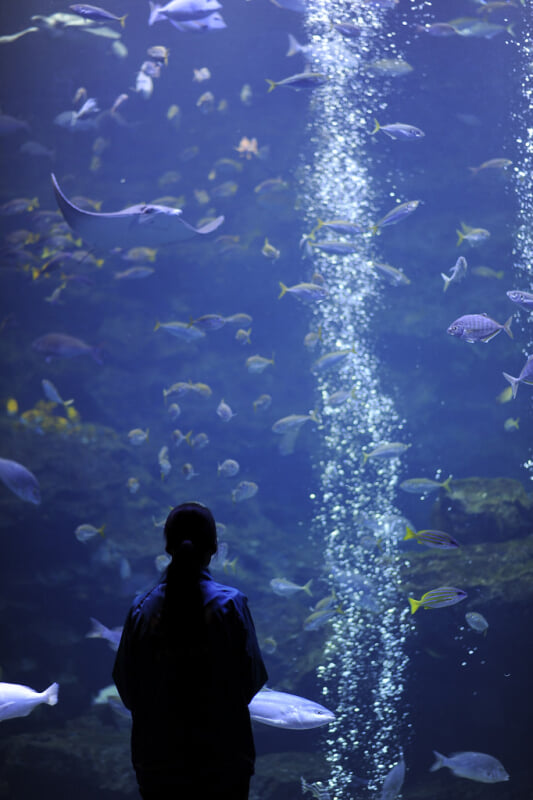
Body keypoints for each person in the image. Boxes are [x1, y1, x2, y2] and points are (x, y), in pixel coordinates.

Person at [113, 501, 268, 800]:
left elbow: (126, 686)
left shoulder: (141, 608)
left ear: (167, 546)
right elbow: (253, 678)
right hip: (224, 762)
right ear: (214, 547)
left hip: (158, 763)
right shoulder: (231, 605)